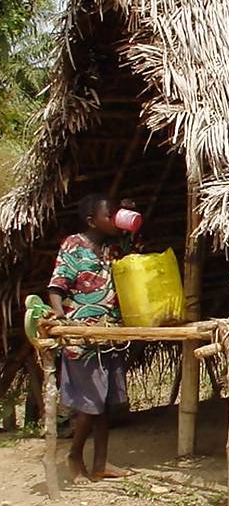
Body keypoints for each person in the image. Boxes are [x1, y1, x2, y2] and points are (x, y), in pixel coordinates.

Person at [47, 193, 138, 482]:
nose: (114, 219)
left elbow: (134, 248)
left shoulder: (112, 248)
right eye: (109, 215)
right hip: (82, 339)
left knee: (105, 404)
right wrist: (60, 315)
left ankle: (100, 463)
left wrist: (128, 218)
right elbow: (57, 285)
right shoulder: (74, 246)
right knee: (89, 405)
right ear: (91, 220)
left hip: (108, 335)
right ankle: (74, 456)